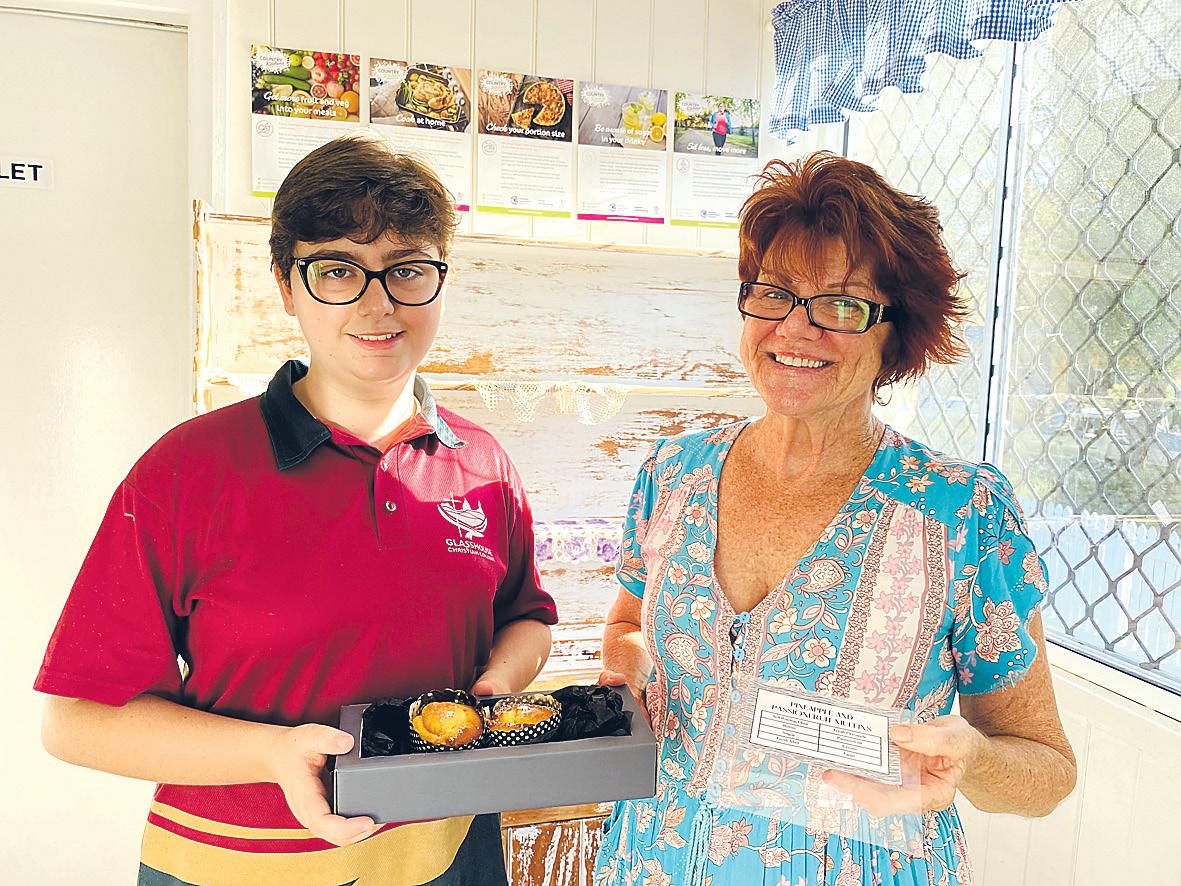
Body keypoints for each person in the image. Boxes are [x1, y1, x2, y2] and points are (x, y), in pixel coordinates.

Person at [36, 133, 557, 886]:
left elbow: (526, 619)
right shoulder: (187, 470)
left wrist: (496, 688)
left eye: (408, 269)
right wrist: (271, 754)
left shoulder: (482, 463)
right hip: (232, 863)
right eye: (338, 270)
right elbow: (76, 722)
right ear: (287, 286)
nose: (379, 303)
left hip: (449, 853)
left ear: (440, 280)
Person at [595, 152, 1076, 885]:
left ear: (896, 332)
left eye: (842, 305)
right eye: (774, 294)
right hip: (648, 860)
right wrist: (625, 673)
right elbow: (630, 623)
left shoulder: (960, 512)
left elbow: (1046, 769)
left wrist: (972, 760)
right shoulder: (672, 474)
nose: (795, 329)